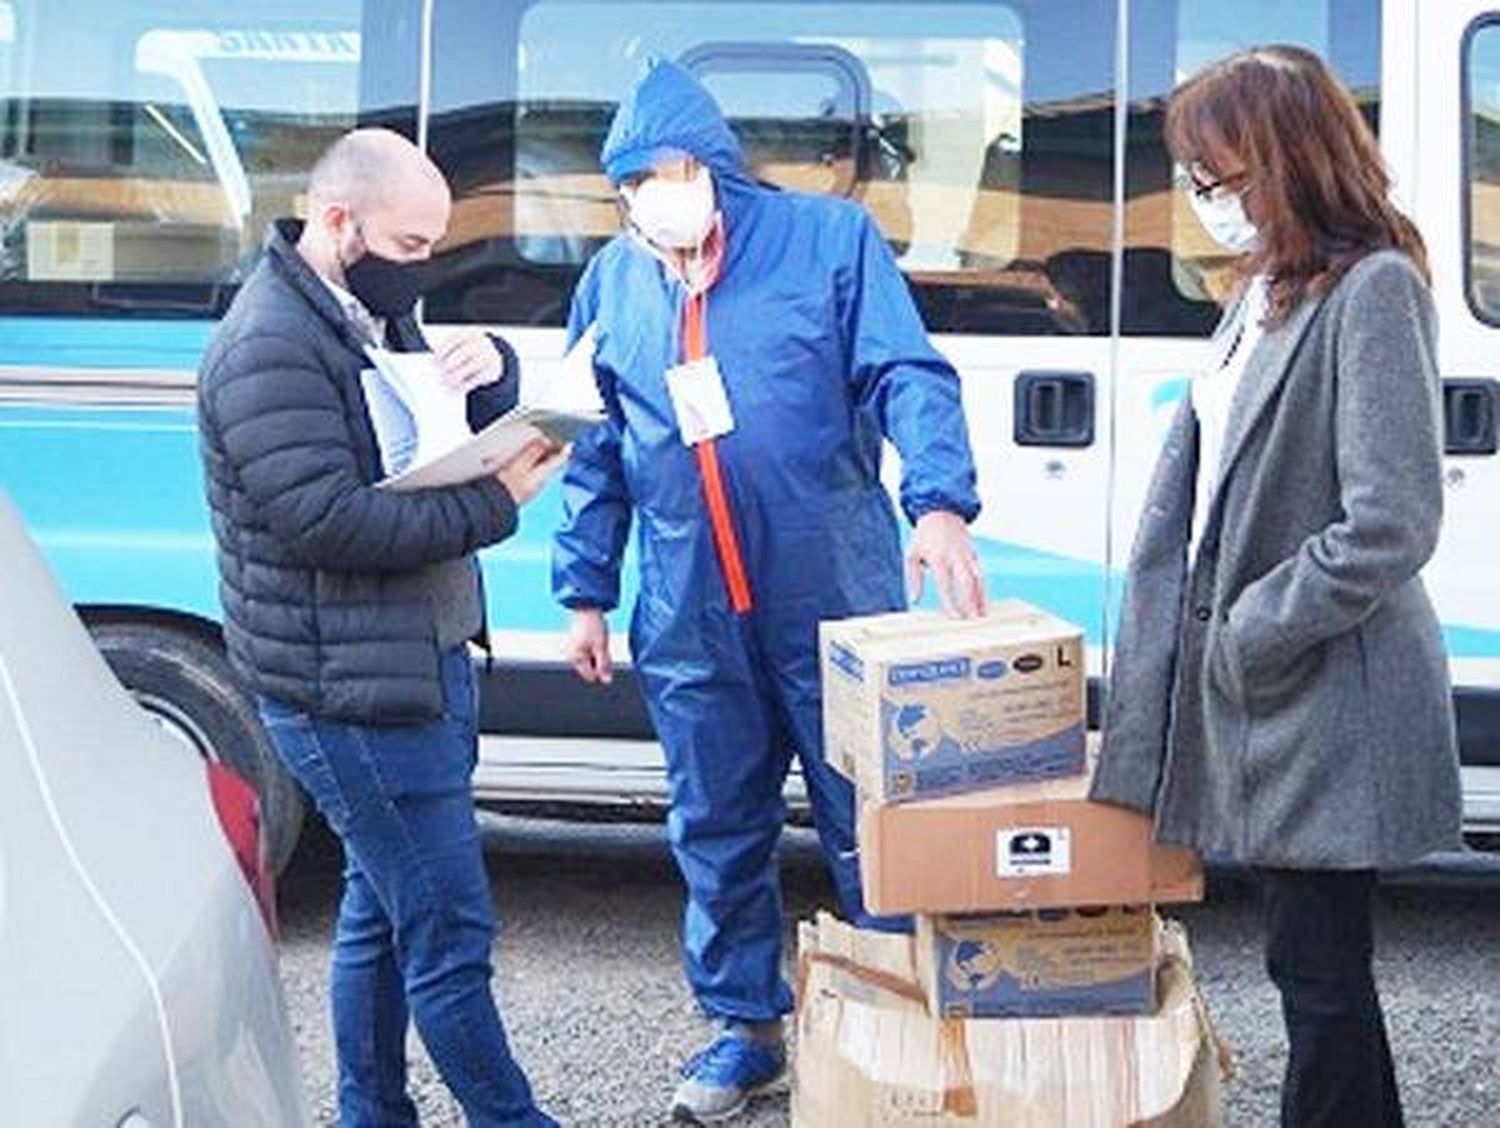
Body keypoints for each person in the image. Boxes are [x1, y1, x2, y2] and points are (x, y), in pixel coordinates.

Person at [551, 60, 985, 1123]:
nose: (656, 193)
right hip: (690, 609)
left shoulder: (827, 243)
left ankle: (901, 1016)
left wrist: (937, 500)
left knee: (871, 818)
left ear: (715, 168)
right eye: (633, 181)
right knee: (715, 821)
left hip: (831, 592)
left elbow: (906, 374)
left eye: (672, 170)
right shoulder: (615, 278)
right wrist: (584, 589)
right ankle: (745, 1030)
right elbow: (593, 444)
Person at [1090, 46, 1462, 1128]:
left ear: (1286, 162)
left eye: (1220, 175)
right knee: (1313, 974)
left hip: (1323, 695)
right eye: (1195, 178)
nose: (1205, 200)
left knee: (1321, 979)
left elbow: (1391, 520)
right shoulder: (1268, 291)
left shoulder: (1373, 290)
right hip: (1277, 698)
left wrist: (1252, 628)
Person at [197, 128, 562, 1127]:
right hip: (349, 692)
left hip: (414, 662)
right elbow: (329, 521)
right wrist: (499, 506)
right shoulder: (270, 341)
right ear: (336, 221)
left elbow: (420, 444)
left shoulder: (358, 310)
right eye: (411, 247)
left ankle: (371, 1112)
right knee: (447, 926)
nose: (425, 269)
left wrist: (493, 380)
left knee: (383, 913)